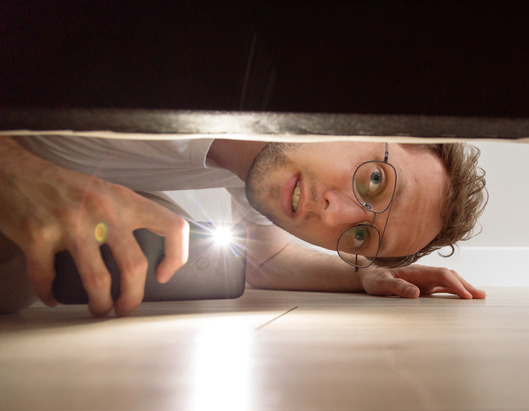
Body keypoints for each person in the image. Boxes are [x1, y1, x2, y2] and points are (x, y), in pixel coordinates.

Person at [0, 135, 488, 316]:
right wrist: (16, 171)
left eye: (359, 235)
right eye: (376, 179)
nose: (334, 214)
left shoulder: (254, 168)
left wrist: (360, 272)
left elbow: (266, 259)